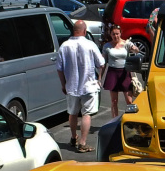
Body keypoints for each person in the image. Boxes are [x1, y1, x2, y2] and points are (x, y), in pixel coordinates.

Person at [56, 20, 104, 153]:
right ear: (84, 31)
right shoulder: (90, 44)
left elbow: (59, 68)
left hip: (71, 85)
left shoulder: (64, 46)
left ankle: (73, 137)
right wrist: (99, 79)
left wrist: (63, 84)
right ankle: (82, 142)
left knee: (72, 113)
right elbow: (101, 63)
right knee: (86, 114)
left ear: (73, 31)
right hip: (88, 85)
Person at [100, 25, 139, 119]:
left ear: (120, 33)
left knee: (129, 100)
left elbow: (137, 51)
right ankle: (115, 121)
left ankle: (131, 120)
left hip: (125, 72)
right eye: (113, 34)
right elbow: (103, 63)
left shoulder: (126, 44)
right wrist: (100, 77)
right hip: (112, 73)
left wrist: (134, 48)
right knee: (114, 101)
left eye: (117, 34)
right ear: (110, 34)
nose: (115, 36)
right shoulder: (107, 46)